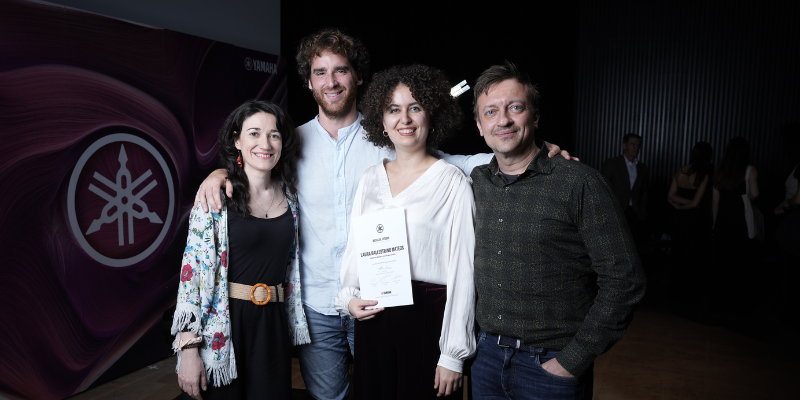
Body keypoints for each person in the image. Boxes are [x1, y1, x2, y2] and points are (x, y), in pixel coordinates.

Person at [193, 29, 572, 400]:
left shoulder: (387, 140)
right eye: (320, 72)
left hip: (384, 306)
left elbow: (454, 164)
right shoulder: (290, 141)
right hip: (318, 304)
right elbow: (256, 169)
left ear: (358, 76)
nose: (331, 81)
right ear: (308, 82)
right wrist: (221, 171)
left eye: (340, 70)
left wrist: (525, 153)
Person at [468, 62, 646, 400]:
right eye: (491, 112)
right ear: (479, 126)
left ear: (535, 117)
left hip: (550, 368)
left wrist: (573, 360)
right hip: (486, 360)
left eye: (515, 107)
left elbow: (625, 280)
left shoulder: (580, 183)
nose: (503, 120)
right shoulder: (474, 181)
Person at [334, 64, 474, 399]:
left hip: (428, 322)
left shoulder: (453, 182)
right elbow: (355, 250)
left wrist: (452, 355)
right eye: (393, 110)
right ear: (381, 121)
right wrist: (349, 299)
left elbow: (464, 272)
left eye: (415, 107)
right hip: (374, 320)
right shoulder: (370, 178)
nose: (405, 119)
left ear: (432, 115)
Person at [171, 100, 309, 400]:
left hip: (272, 326)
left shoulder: (291, 197)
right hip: (225, 325)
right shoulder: (215, 196)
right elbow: (190, 278)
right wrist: (189, 348)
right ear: (237, 140)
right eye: (254, 133)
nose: (265, 143)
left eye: (274, 135)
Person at [711, 136, 759, 313]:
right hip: (741, 222)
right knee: (739, 261)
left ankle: (719, 302)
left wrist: (715, 224)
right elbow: (755, 194)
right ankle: (737, 304)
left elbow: (715, 202)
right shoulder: (750, 171)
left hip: (723, 221)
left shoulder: (719, 171)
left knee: (721, 261)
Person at [667, 141, 713, 304]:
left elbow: (670, 196)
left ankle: (674, 291)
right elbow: (695, 203)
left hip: (679, 219)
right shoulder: (704, 176)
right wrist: (688, 204)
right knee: (693, 255)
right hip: (695, 219)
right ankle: (689, 294)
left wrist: (678, 206)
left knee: (678, 252)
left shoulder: (681, 171)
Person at [601, 133, 649, 248]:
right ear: (624, 145)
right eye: (633, 144)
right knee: (616, 245)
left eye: (638, 145)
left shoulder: (643, 168)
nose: (636, 147)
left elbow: (645, 191)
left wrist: (643, 211)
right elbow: (603, 188)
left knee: (635, 246)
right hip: (617, 211)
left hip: (636, 213)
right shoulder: (612, 163)